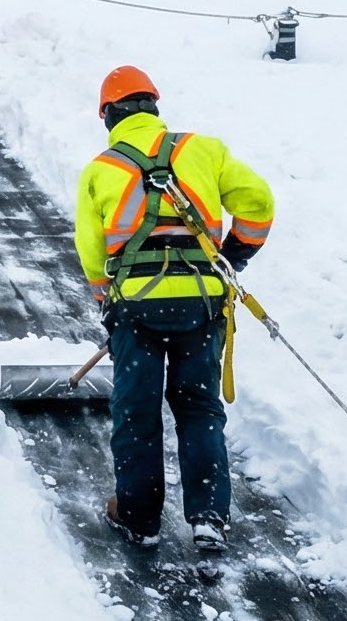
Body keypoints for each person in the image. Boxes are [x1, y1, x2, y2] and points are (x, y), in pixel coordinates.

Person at [74, 66, 273, 554]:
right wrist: (232, 257)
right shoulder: (203, 150)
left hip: (136, 311)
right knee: (198, 406)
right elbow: (259, 204)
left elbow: (91, 248)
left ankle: (139, 518)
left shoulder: (101, 169)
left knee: (137, 411)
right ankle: (208, 517)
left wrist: (106, 298)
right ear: (153, 109)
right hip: (202, 304)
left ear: (108, 116)